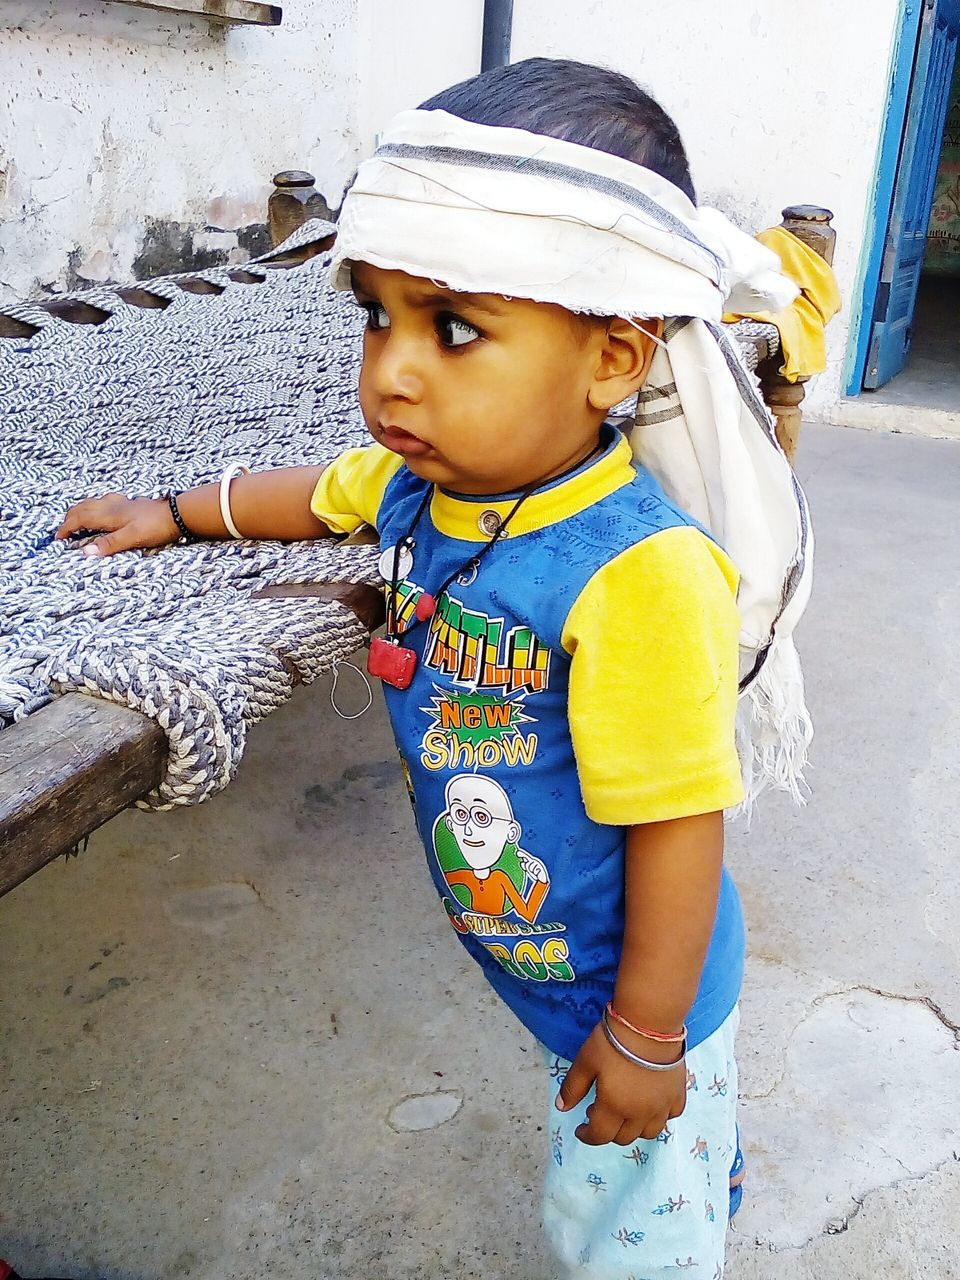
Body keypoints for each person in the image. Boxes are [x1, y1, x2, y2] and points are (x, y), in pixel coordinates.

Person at [57, 58, 811, 1280]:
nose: (393, 371)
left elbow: (681, 822)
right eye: (378, 315)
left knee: (622, 1216)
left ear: (614, 358)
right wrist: (173, 512)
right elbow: (310, 493)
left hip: (627, 973)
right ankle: (696, 1144)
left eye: (455, 328)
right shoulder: (430, 485)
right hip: (528, 932)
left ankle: (683, 1165)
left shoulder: (638, 577)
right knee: (649, 1147)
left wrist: (650, 1033)